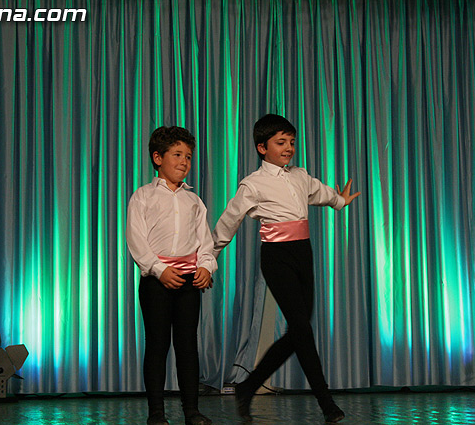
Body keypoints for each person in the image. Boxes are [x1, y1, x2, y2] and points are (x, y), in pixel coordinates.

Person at [213, 114, 360, 423]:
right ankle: (326, 403)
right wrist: (208, 257)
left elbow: (320, 192)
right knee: (302, 330)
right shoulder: (253, 184)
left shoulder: (300, 175)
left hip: (303, 254)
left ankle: (248, 386)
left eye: (291, 142)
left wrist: (339, 201)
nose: (289, 148)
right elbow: (229, 219)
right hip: (276, 257)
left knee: (298, 330)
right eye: (281, 142)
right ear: (262, 147)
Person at [126, 126, 217, 425]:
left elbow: (204, 241)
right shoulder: (143, 196)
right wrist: (159, 270)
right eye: (177, 155)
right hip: (157, 281)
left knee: (187, 346)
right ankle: (156, 412)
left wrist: (206, 266)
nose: (184, 162)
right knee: (157, 345)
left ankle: (192, 410)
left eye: (188, 157)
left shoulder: (194, 201)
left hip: (188, 281)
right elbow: (136, 240)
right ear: (158, 158)